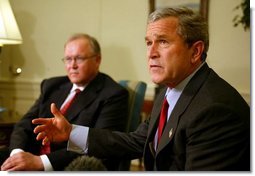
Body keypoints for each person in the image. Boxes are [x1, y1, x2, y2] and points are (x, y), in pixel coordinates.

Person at [31, 7, 250, 171]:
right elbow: (137, 141)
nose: (151, 53)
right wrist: (71, 133)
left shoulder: (216, 110)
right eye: (148, 43)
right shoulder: (171, 89)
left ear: (195, 52)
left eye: (163, 42)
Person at [0, 33, 129, 171]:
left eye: (79, 58)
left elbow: (100, 146)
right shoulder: (51, 85)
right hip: (29, 154)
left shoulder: (113, 94)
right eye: (68, 59)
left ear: (97, 60)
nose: (72, 65)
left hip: (67, 166)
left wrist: (41, 162)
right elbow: (25, 124)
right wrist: (17, 154)